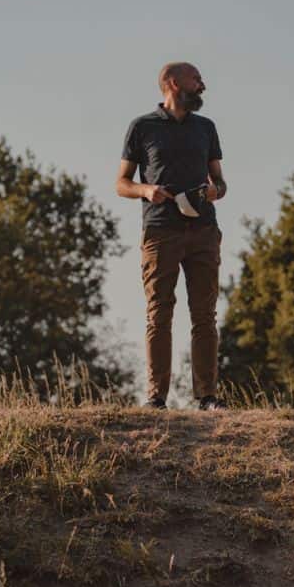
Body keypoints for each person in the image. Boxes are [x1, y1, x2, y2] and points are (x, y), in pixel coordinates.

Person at [116, 62, 227, 410]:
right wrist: (147, 190)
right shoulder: (142, 127)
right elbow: (121, 183)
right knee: (159, 313)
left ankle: (207, 396)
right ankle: (156, 398)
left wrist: (214, 192)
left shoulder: (206, 128)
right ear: (174, 84)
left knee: (204, 315)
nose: (203, 85)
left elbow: (221, 183)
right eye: (197, 79)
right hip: (160, 231)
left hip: (203, 231)